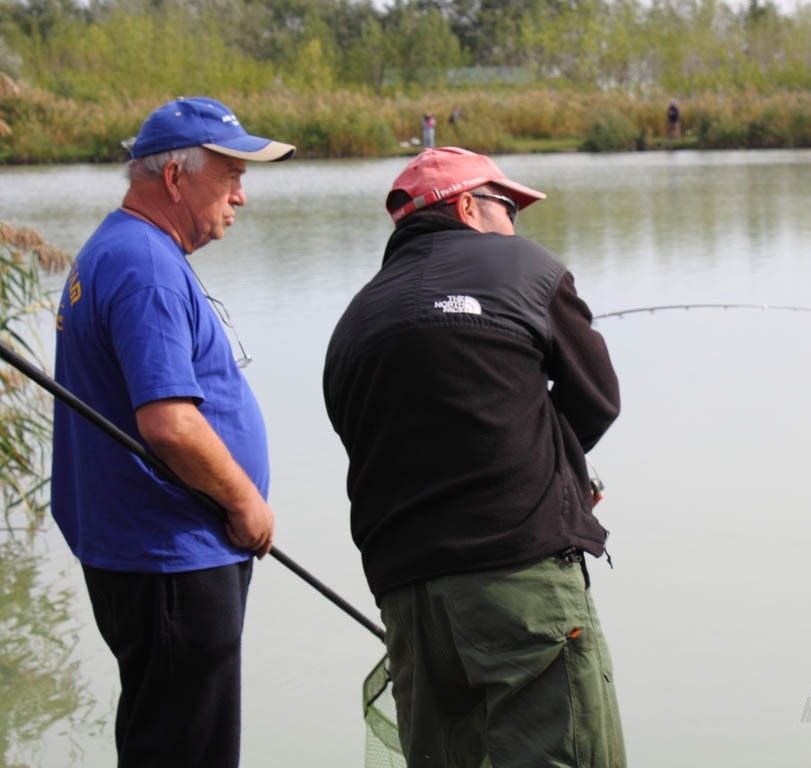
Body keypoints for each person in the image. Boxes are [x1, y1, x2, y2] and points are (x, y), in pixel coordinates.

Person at [323, 147, 626, 767]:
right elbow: (597, 401)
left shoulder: (354, 319)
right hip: (521, 583)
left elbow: (366, 439)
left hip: (407, 597)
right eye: (508, 207)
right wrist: (562, 467)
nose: (516, 223)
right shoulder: (526, 268)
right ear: (467, 206)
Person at [51, 96, 294, 767]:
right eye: (231, 175)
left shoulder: (120, 247)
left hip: (151, 553)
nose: (241, 197)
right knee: (188, 749)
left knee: (166, 737)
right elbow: (170, 423)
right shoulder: (146, 267)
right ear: (175, 178)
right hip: (171, 557)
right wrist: (245, 500)